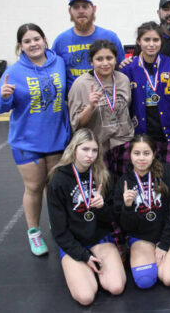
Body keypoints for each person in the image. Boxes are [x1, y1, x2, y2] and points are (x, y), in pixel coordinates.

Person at [0, 23, 70, 256]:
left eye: (36, 39)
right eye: (27, 41)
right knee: (34, 187)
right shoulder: (14, 72)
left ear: (45, 40)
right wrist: (4, 97)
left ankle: (57, 225)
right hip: (27, 141)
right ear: (20, 46)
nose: (33, 44)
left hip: (56, 138)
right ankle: (34, 233)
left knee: (53, 187)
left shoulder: (59, 63)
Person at [47, 129, 126, 306]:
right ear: (74, 149)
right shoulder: (58, 179)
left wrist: (102, 207)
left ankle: (94, 270)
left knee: (116, 287)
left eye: (94, 150)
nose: (89, 155)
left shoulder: (102, 175)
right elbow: (59, 232)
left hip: (100, 238)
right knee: (86, 297)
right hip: (73, 242)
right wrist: (82, 256)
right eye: (85, 149)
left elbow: (114, 216)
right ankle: (80, 270)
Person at [112, 134, 170, 289]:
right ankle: (147, 258)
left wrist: (164, 244)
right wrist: (128, 206)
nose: (141, 158)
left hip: (167, 236)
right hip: (141, 238)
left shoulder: (166, 173)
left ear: (154, 154)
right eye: (136, 153)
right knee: (145, 282)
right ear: (130, 155)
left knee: (169, 279)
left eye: (146, 153)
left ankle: (165, 256)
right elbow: (126, 226)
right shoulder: (124, 182)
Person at [120, 21, 170, 184]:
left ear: (161, 41)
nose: (151, 44)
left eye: (155, 40)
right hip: (141, 133)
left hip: (169, 132)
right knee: (144, 179)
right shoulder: (128, 69)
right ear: (138, 41)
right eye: (146, 39)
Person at [68, 39, 134, 179]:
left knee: (124, 187)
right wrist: (91, 107)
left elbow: (126, 108)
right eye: (99, 59)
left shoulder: (123, 79)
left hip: (123, 143)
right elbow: (77, 123)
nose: (105, 63)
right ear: (91, 62)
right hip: (98, 147)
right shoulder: (80, 84)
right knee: (101, 189)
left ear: (116, 59)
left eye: (109, 58)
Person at [53, 0, 125, 91]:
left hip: (107, 100)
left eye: (85, 6)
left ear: (94, 9)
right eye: (76, 7)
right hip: (76, 101)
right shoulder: (61, 41)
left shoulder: (110, 37)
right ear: (70, 11)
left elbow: (121, 69)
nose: (81, 11)